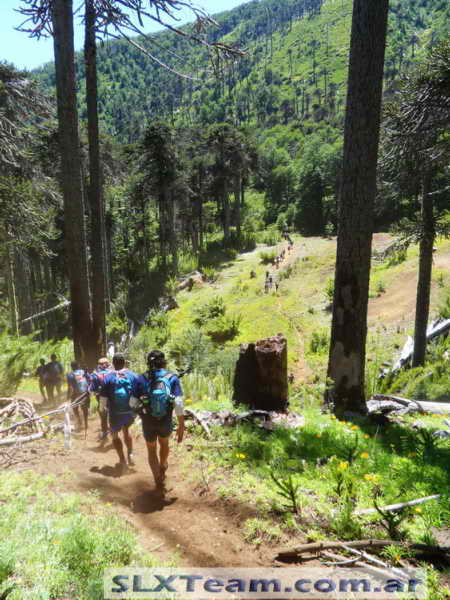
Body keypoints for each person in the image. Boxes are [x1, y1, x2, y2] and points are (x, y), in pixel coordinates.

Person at [134, 350, 185, 488]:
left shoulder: (141, 378)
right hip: (165, 419)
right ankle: (162, 465)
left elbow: (132, 403)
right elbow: (178, 402)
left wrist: (141, 413)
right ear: (163, 361)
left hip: (147, 420)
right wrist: (181, 425)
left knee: (151, 450)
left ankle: (157, 479)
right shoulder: (172, 377)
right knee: (164, 443)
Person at [99, 353, 138, 474]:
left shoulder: (108, 377)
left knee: (115, 435)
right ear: (124, 362)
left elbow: (103, 398)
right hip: (129, 411)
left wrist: (102, 409)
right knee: (127, 430)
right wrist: (135, 408)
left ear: (113, 363)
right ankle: (130, 453)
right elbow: (138, 393)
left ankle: (122, 460)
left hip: (115, 412)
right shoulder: (133, 375)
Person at [90, 357, 112, 442]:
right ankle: (114, 432)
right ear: (108, 364)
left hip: (101, 398)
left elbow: (92, 389)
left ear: (99, 365)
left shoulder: (95, 375)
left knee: (103, 417)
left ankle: (104, 433)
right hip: (112, 398)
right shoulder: (113, 373)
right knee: (112, 415)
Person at [66, 361, 90, 431]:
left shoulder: (70, 374)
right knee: (85, 409)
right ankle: (86, 423)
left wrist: (68, 396)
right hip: (85, 393)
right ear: (78, 365)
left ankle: (79, 421)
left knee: (74, 407)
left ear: (71, 367)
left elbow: (70, 387)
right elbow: (89, 379)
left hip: (76, 393)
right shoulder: (83, 372)